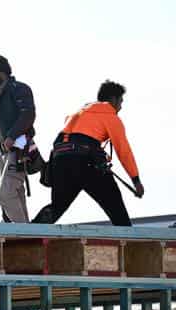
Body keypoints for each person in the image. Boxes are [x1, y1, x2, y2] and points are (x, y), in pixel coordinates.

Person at [33, 80, 144, 227]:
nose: (121, 107)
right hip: (85, 162)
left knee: (56, 207)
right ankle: (128, 242)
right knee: (115, 206)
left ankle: (28, 233)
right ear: (113, 99)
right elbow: (123, 150)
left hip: (60, 161)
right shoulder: (110, 115)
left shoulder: (77, 114)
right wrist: (136, 180)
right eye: (121, 101)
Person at [0, 55, 37, 223]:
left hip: (17, 149)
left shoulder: (18, 89)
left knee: (6, 194)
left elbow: (28, 114)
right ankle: (28, 233)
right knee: (15, 193)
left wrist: (11, 136)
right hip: (3, 151)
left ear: (1, 73)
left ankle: (25, 234)